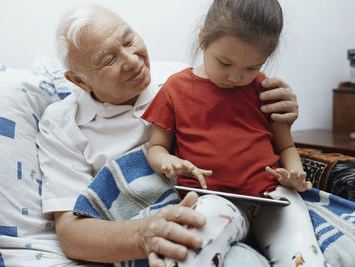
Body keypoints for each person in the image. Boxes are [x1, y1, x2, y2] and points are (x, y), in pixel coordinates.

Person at [36, 3, 300, 266]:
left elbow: (244, 137)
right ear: (79, 81)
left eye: (129, 41)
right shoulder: (61, 124)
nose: (132, 60)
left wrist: (283, 112)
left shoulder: (185, 77)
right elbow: (71, 234)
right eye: (108, 60)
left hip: (229, 206)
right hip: (149, 233)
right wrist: (144, 234)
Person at [141, 0, 329, 266]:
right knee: (193, 245)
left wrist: (295, 175)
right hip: (214, 199)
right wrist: (168, 162)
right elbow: (157, 148)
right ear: (202, 38)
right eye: (225, 63)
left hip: (273, 197)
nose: (236, 77)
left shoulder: (265, 89)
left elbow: (286, 148)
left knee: (303, 257)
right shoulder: (175, 88)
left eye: (251, 68)